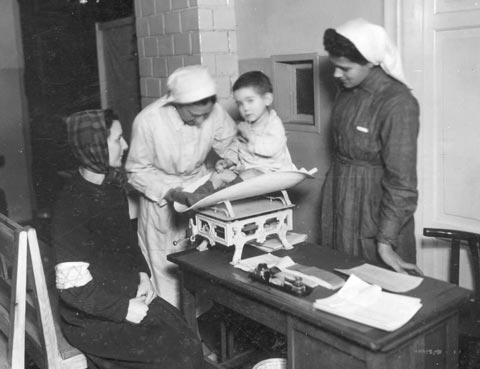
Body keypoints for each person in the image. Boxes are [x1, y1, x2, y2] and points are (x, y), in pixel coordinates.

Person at [52, 109, 203, 369]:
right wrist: (123, 309)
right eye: (117, 139)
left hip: (120, 295)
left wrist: (143, 274)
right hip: (91, 318)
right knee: (179, 352)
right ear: (95, 146)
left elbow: (127, 244)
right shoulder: (71, 204)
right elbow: (74, 292)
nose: (125, 145)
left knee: (182, 332)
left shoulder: (111, 188)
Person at [125, 65, 237, 307]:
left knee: (203, 266)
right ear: (176, 104)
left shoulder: (213, 112)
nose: (200, 122)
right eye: (193, 115)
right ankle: (173, 326)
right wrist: (171, 192)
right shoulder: (148, 121)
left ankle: (198, 325)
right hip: (161, 199)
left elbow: (230, 142)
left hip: (199, 192)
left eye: (204, 116)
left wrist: (227, 160)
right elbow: (135, 171)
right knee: (165, 273)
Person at [320, 18, 423, 275]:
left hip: (375, 212)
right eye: (335, 66)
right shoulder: (346, 89)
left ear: (369, 61)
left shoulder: (398, 103)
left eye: (344, 68)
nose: (336, 74)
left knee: (380, 293)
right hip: (339, 200)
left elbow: (402, 184)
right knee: (336, 286)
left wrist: (386, 241)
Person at [169, 70, 296, 207]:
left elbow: (271, 149)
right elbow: (238, 148)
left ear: (267, 99)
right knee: (219, 174)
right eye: (240, 103)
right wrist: (228, 161)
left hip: (273, 174)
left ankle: (216, 196)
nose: (245, 108)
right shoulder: (247, 125)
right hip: (245, 174)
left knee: (251, 173)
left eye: (250, 101)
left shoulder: (274, 124)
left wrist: (250, 136)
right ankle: (196, 197)